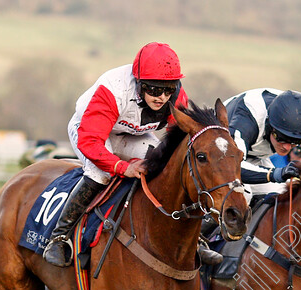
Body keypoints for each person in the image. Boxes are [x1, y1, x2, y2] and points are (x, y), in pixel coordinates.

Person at [42, 42, 208, 266]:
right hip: (91, 132)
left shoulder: (176, 98)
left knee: (162, 167)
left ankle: (195, 240)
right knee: (101, 174)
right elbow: (90, 142)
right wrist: (123, 167)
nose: (161, 97)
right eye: (154, 89)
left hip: (132, 133)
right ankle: (59, 237)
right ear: (139, 83)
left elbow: (177, 139)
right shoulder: (113, 91)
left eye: (168, 89)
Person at [223, 88, 301, 188]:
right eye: (281, 138)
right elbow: (232, 166)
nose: (287, 147)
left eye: (295, 142)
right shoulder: (247, 121)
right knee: (244, 194)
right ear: (270, 125)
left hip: (255, 155)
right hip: (219, 157)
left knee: (276, 193)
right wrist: (275, 174)